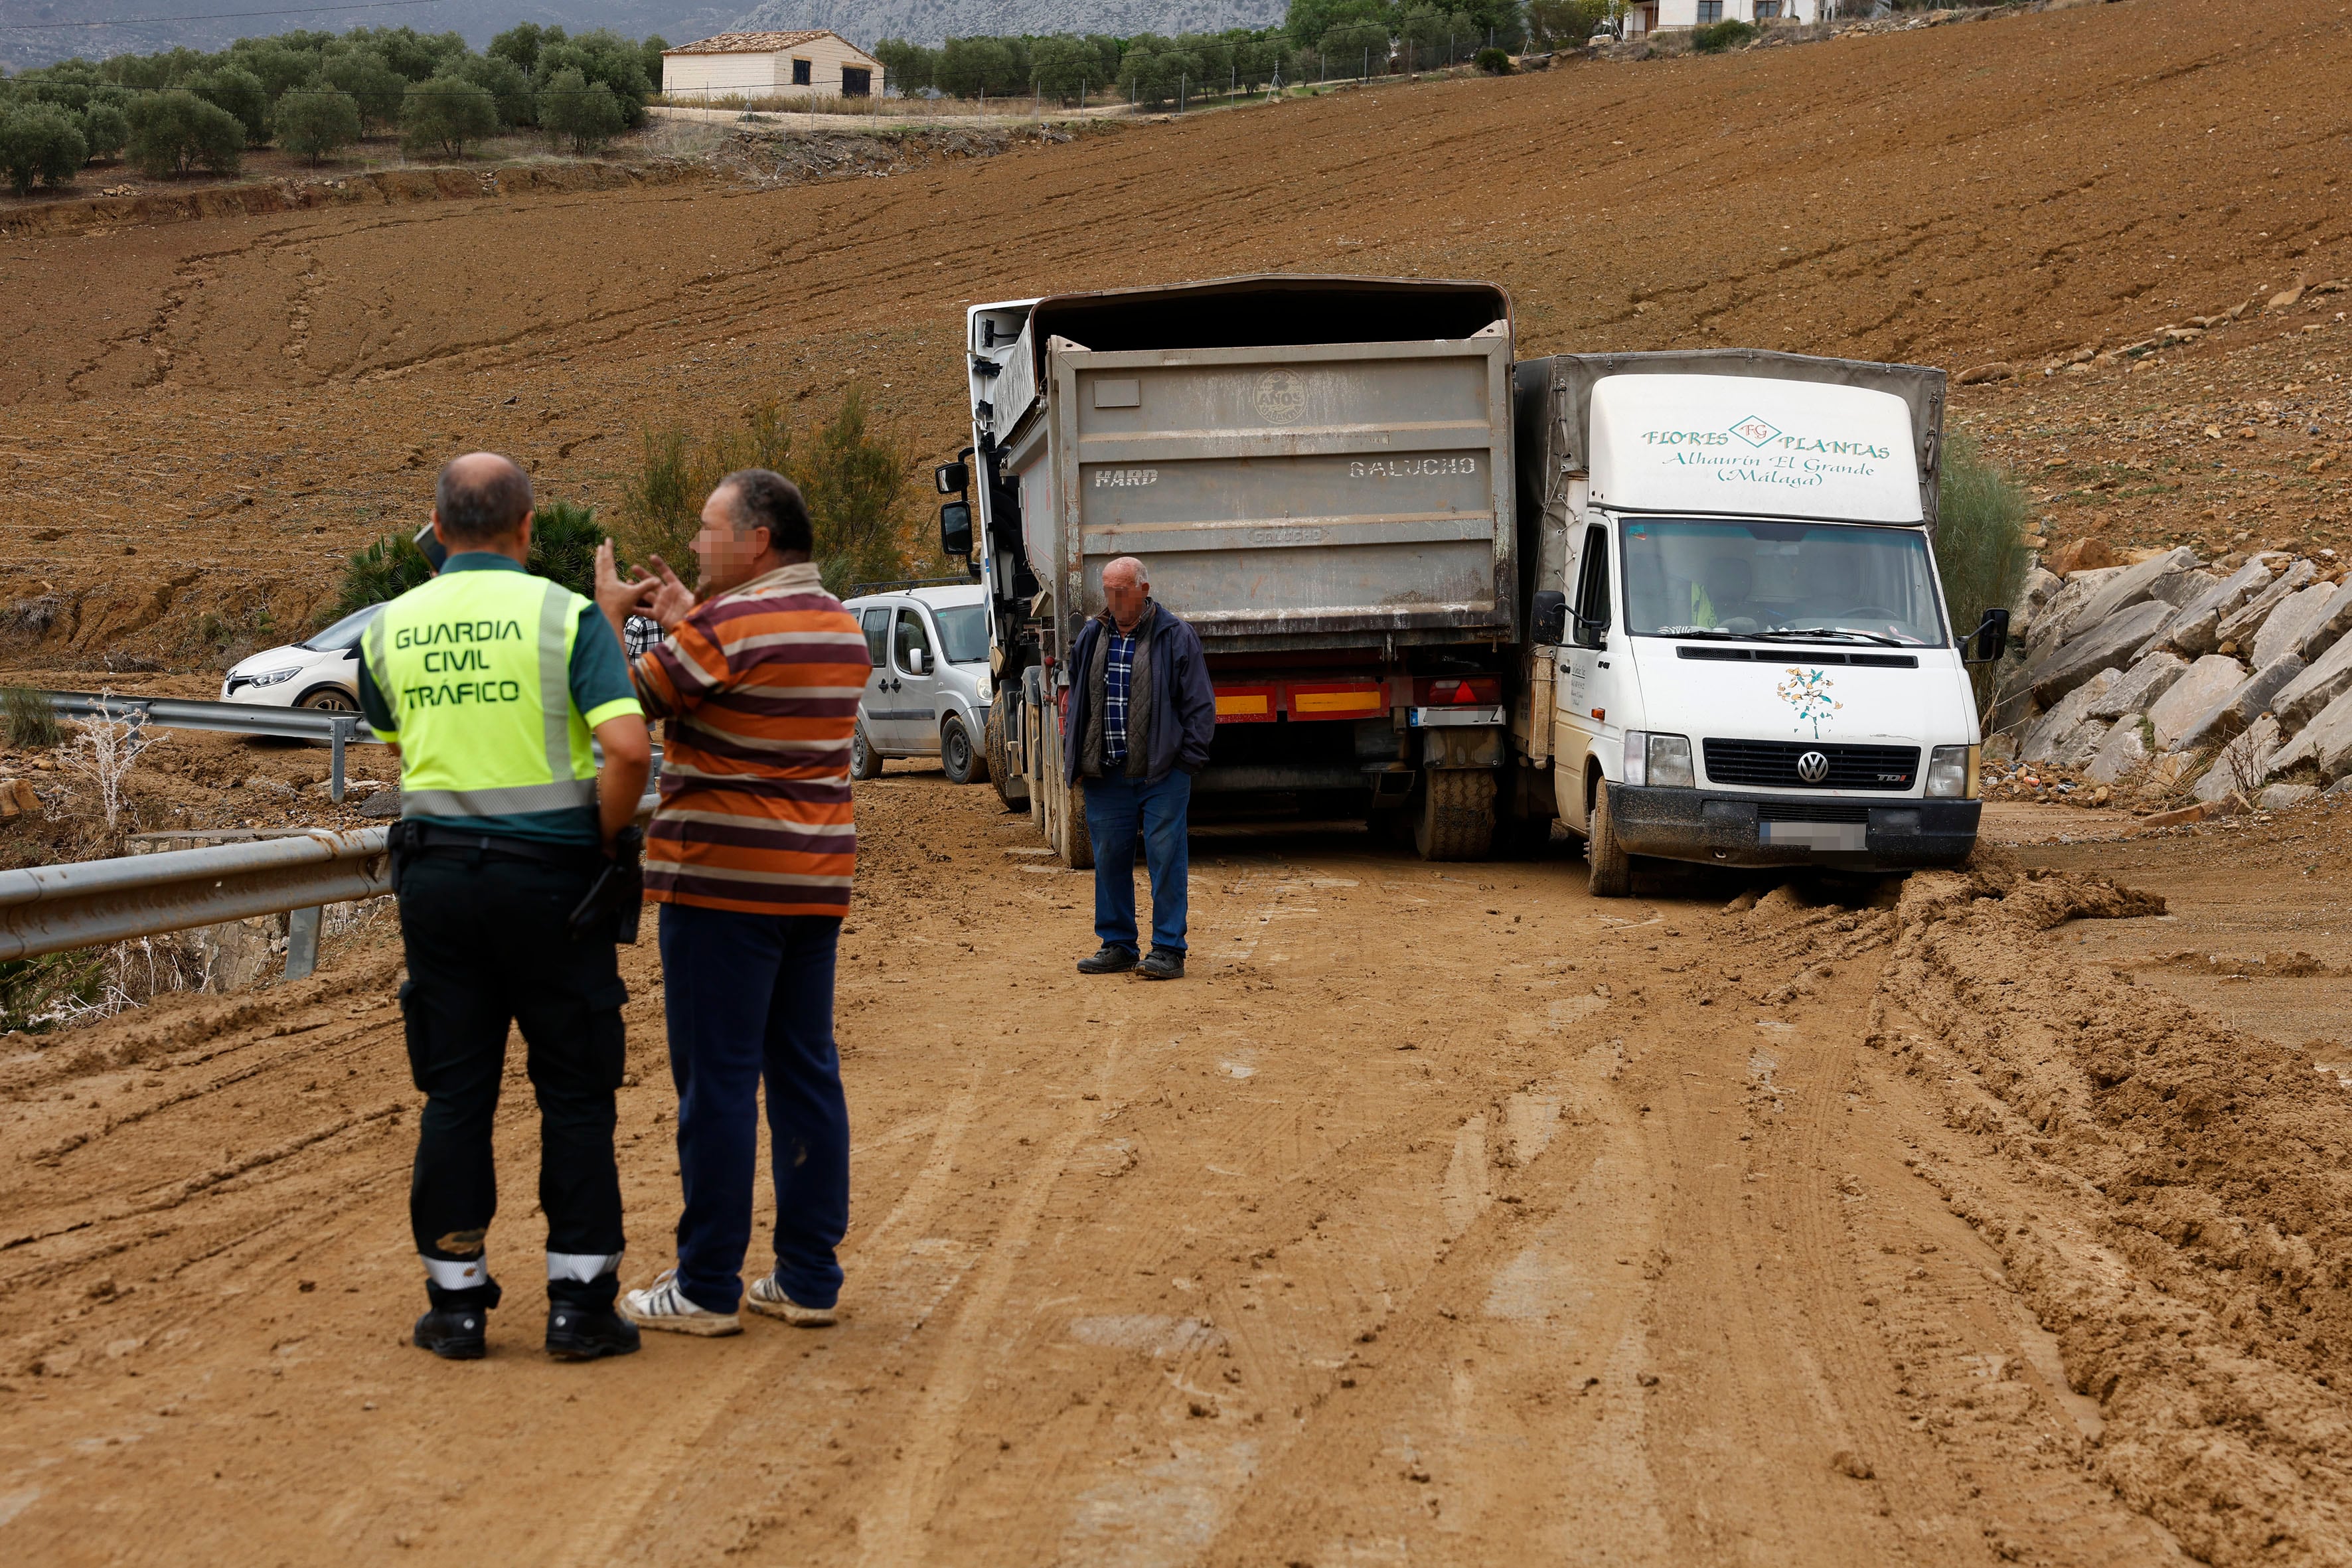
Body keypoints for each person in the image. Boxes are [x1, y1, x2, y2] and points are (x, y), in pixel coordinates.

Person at [359, 453, 653, 1363]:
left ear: (437, 531)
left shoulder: (388, 624)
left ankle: (453, 1305)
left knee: (455, 1088)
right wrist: (598, 840)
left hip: (438, 885)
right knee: (573, 1085)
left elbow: (397, 738)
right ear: (528, 528)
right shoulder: (562, 616)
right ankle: (579, 1302)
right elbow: (629, 751)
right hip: (554, 884)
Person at [591, 469, 868, 1337]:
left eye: (708, 528)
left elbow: (619, 706)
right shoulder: (838, 625)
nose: (695, 541)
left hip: (719, 889)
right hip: (811, 885)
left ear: (756, 540)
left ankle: (708, 1282)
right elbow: (740, 678)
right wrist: (688, 617)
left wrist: (607, 614)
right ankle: (808, 1276)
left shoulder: (723, 630)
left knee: (715, 1085)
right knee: (804, 1073)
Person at [1060, 555, 1215, 980]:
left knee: (1167, 859)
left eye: (1122, 590)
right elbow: (1077, 703)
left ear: (1144, 590)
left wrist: (1186, 763)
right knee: (1109, 858)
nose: (1114, 599)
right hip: (1105, 773)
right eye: (1108, 591)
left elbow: (1200, 705)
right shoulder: (1092, 635)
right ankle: (1117, 944)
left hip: (1161, 774)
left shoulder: (1175, 635)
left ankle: (1168, 949)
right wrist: (1075, 760)